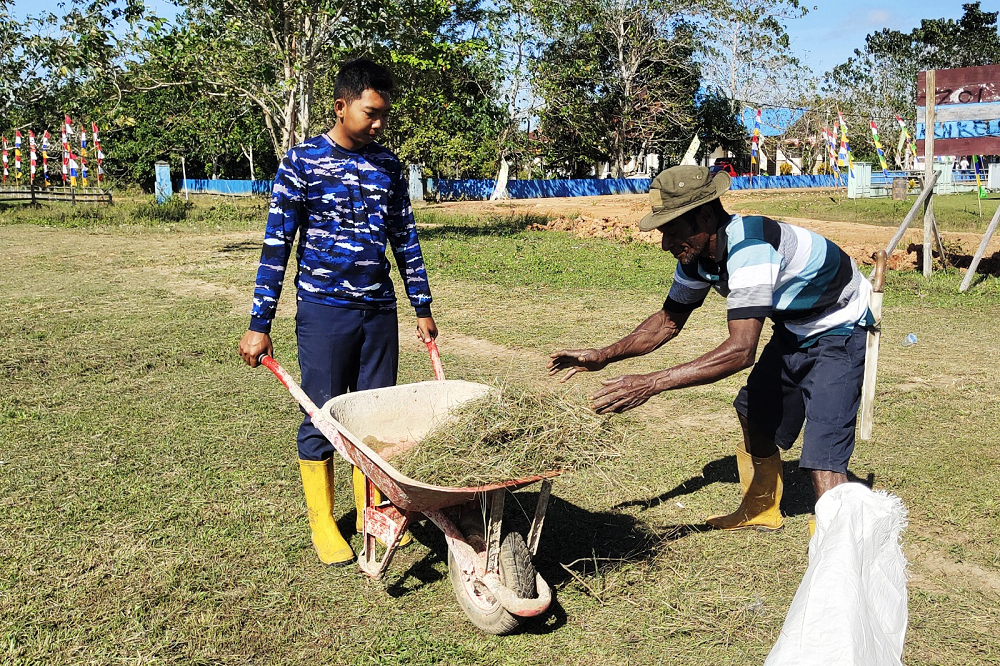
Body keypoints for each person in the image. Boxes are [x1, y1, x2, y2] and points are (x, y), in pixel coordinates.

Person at [548, 166, 872, 534]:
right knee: (753, 411)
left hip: (840, 324)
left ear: (704, 216)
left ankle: (837, 541)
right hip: (795, 325)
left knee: (824, 455)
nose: (666, 243)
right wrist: (605, 355)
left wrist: (651, 384)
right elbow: (668, 322)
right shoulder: (698, 258)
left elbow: (740, 350)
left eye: (672, 230)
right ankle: (761, 508)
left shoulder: (749, 247)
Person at [238, 59, 437, 565]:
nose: (378, 125)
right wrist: (259, 324)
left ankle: (371, 506)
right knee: (324, 413)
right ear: (341, 106)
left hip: (379, 309)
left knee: (377, 414)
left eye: (384, 116)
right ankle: (324, 522)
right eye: (371, 114)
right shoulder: (301, 163)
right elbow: (275, 246)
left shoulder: (389, 166)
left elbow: (405, 239)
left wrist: (422, 304)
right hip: (325, 310)